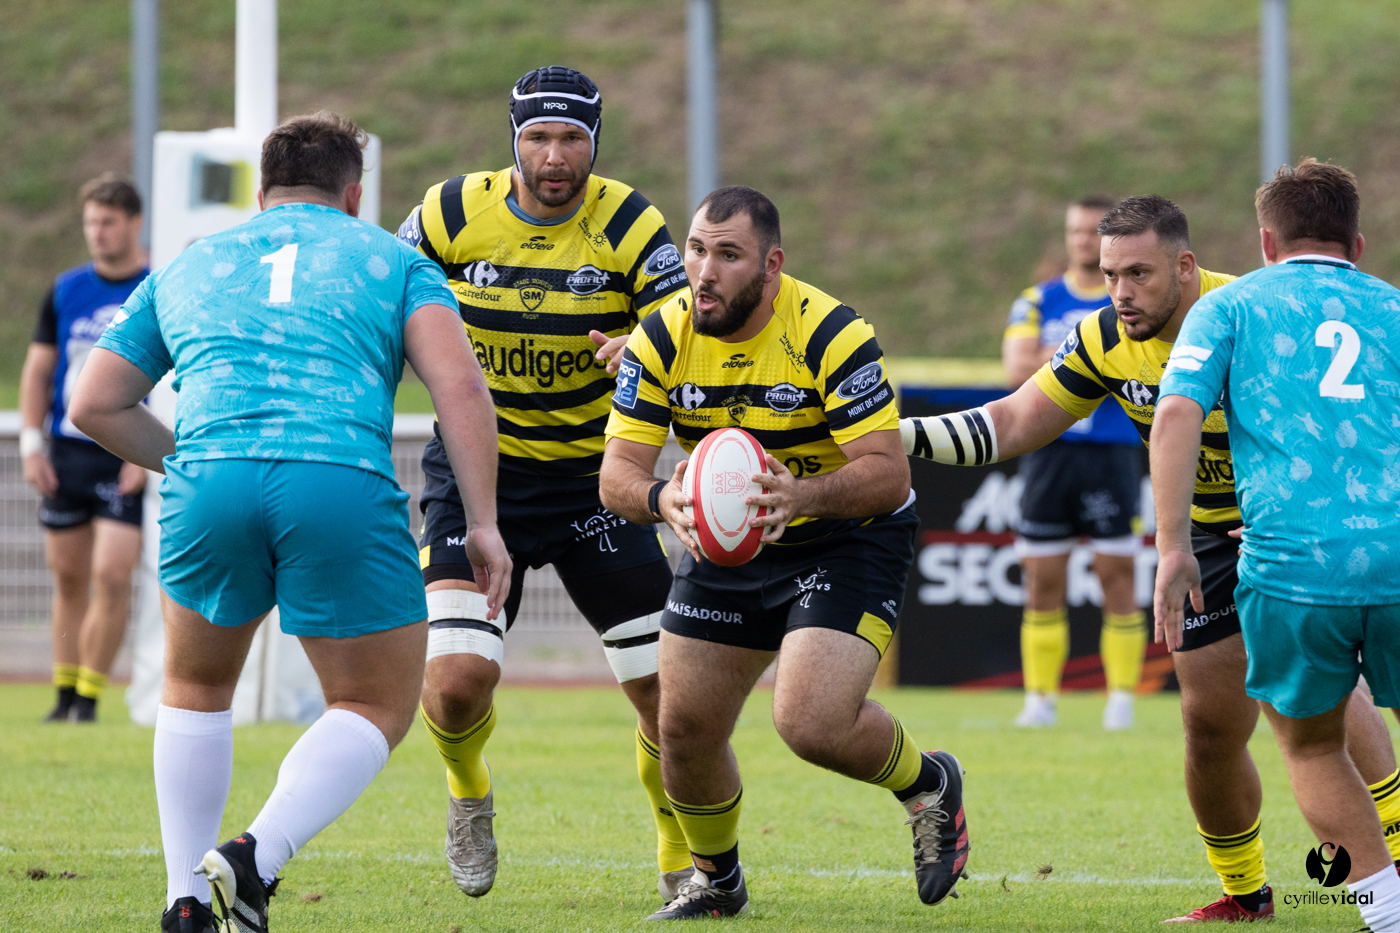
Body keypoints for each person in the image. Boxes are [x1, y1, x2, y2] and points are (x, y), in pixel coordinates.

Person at [902, 194, 1400, 923]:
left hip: (1292, 529)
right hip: (1202, 538)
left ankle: (1389, 867)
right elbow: (1012, 420)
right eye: (1109, 274)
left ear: (1185, 265)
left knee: (1324, 708)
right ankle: (1245, 892)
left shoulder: (1250, 307)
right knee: (1208, 727)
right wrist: (893, 432)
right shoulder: (1105, 335)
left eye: (1138, 273)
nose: (1120, 293)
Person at [68, 112, 509, 933]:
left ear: (261, 192)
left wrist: (187, 462)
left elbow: (93, 401)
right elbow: (460, 392)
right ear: (353, 194)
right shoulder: (394, 259)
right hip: (335, 477)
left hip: (211, 480)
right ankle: (252, 857)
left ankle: (185, 901)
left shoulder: (192, 263)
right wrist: (482, 522)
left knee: (195, 688)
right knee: (375, 702)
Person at [601, 186, 970, 920]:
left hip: (846, 532)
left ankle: (928, 783)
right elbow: (617, 474)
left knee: (809, 721)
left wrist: (799, 496)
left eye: (728, 255)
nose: (704, 271)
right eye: (696, 250)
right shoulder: (660, 336)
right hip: (730, 543)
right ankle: (717, 880)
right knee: (682, 727)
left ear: (771, 266)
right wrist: (661, 501)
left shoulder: (832, 332)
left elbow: (887, 471)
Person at [396, 65, 692, 900]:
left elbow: (688, 330)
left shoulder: (633, 223)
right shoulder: (450, 211)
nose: (554, 156)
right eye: (538, 138)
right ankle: (467, 790)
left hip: (598, 480)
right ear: (512, 140)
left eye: (572, 139)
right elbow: (380, 298)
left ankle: (679, 859)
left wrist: (643, 344)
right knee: (455, 687)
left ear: (596, 143)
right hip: (475, 476)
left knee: (662, 694)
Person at [1154, 159, 1400, 933]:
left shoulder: (1229, 307)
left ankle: (1390, 915)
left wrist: (1172, 546)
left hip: (1294, 565)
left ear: (1267, 240)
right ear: (1357, 243)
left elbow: (1176, 417)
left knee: (1314, 745)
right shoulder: (1393, 308)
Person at [1001, 196, 1146, 730]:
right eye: (1076, 231)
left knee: (1118, 576)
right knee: (1042, 580)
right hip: (1049, 454)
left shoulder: (1129, 300)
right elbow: (1016, 367)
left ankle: (1122, 700)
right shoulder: (1038, 299)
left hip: (1113, 451)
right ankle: (1039, 700)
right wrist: (1097, 351)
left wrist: (1058, 354)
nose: (1082, 240)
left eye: (1092, 232)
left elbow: (1143, 354)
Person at [20, 174, 149, 722]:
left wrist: (142, 454)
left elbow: (168, 379)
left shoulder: (154, 285)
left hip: (122, 449)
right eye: (91, 222)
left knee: (112, 574)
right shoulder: (66, 288)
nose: (97, 233)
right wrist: (31, 445)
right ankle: (65, 694)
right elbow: (38, 371)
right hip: (67, 449)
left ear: (134, 223)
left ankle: (92, 696)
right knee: (68, 577)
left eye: (108, 222)